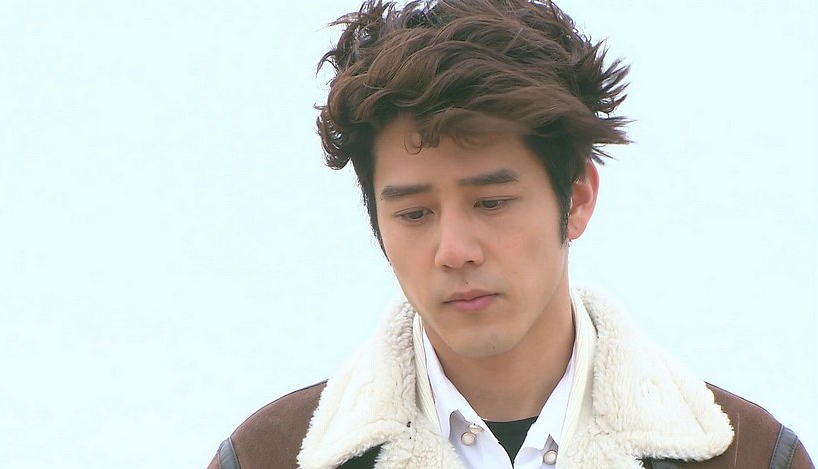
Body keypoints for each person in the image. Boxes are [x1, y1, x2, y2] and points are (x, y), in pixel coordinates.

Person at [207, 0, 814, 467]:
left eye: (492, 203)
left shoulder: (752, 456)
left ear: (577, 198)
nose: (454, 252)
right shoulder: (266, 457)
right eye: (414, 213)